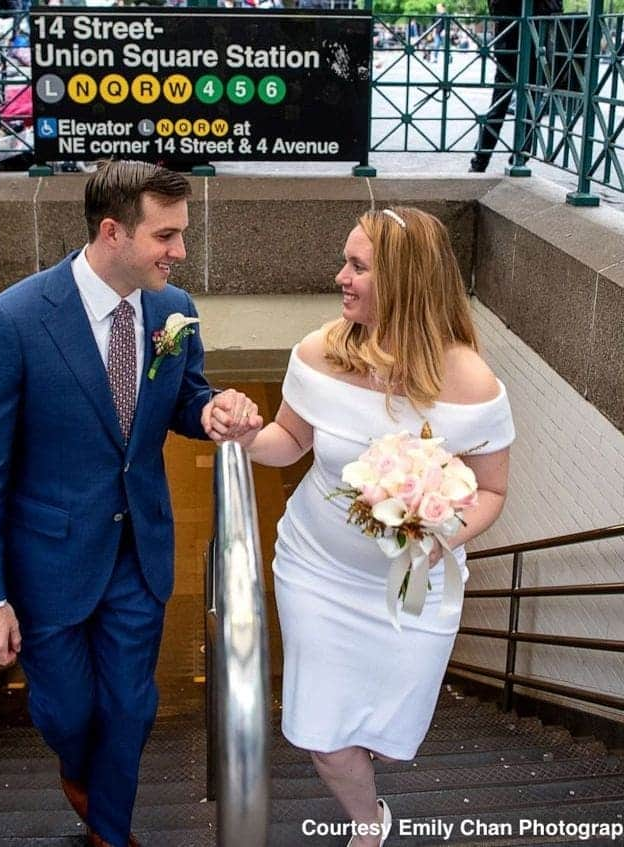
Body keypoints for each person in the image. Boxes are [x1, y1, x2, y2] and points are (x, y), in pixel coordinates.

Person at [0, 160, 261, 847]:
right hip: (47, 562)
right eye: (166, 235)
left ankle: (109, 835)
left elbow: (186, 399)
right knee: (67, 711)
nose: (180, 252)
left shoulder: (173, 312)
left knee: (131, 707)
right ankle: (80, 774)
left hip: (138, 554)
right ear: (113, 231)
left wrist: (215, 412)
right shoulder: (11, 320)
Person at [219, 207, 514, 847]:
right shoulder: (318, 352)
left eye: (358, 266)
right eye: (345, 262)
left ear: (406, 282)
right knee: (324, 736)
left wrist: (442, 536)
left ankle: (367, 749)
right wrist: (246, 436)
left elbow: (490, 490)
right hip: (317, 575)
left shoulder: (472, 384)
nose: (340, 277)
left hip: (415, 591)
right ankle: (367, 825)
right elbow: (289, 441)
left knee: (383, 729)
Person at [470, 0, 562, 172]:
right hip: (526, 45)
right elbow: (554, 8)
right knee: (521, 105)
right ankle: (512, 158)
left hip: (518, 45)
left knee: (506, 104)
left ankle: (485, 160)